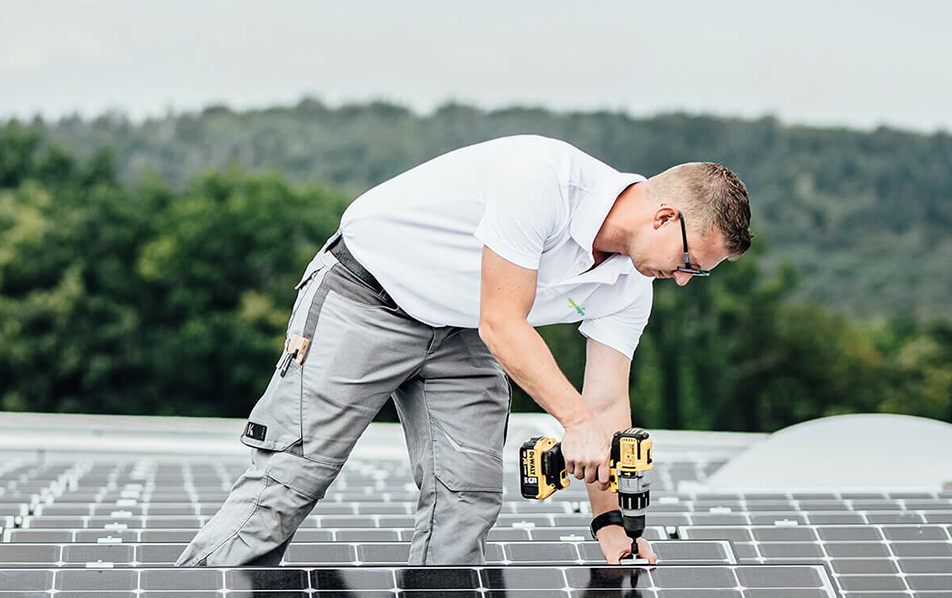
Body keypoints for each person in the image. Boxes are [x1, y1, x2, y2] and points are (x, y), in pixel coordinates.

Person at [176, 134, 752, 569]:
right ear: (664, 216)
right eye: (689, 264)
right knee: (290, 479)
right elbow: (504, 324)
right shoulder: (544, 179)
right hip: (368, 294)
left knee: (467, 498)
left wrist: (611, 523)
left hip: (462, 326)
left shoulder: (630, 285)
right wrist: (572, 419)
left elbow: (605, 406)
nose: (681, 280)